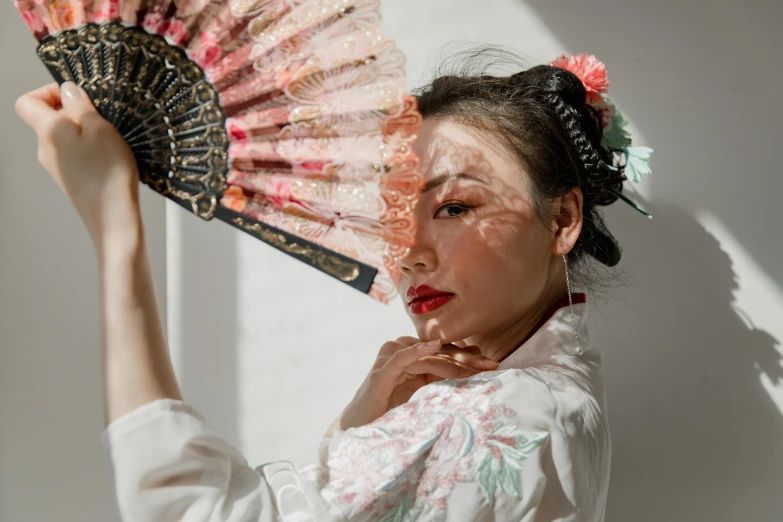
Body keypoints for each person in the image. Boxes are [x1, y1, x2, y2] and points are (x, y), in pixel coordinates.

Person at [14, 49, 652, 521]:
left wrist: (116, 226)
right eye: (395, 216)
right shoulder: (560, 393)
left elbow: (193, 511)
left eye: (455, 207)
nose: (408, 253)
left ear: (562, 219)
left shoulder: (496, 413)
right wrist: (361, 427)